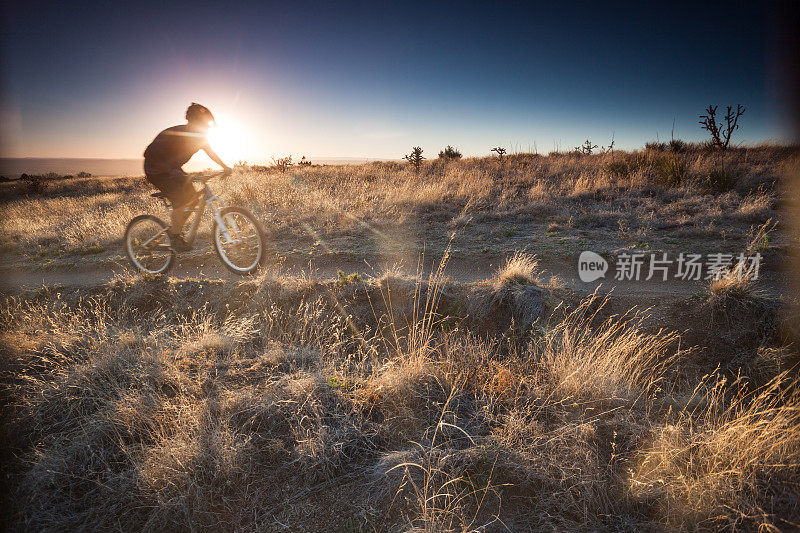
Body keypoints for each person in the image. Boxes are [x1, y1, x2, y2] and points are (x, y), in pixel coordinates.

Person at [144, 103, 232, 251]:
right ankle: (176, 237)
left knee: (192, 198)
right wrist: (172, 171)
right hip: (155, 169)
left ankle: (175, 230)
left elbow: (211, 153)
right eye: (204, 123)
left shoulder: (200, 138)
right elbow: (151, 154)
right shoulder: (177, 133)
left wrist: (225, 167)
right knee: (180, 198)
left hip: (172, 169)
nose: (206, 127)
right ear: (194, 121)